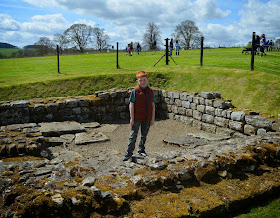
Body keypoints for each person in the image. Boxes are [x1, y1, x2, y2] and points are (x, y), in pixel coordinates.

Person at [122, 71, 155, 161]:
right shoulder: (134, 91)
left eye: (144, 80)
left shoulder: (150, 91)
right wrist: (132, 118)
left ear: (147, 80)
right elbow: (131, 105)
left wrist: (152, 118)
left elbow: (153, 105)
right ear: (137, 81)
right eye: (140, 80)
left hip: (147, 118)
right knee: (133, 136)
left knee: (144, 135)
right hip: (136, 118)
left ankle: (141, 150)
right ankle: (128, 153)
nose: (142, 82)